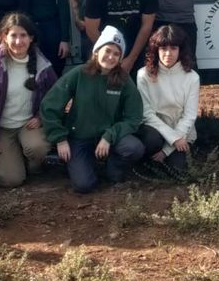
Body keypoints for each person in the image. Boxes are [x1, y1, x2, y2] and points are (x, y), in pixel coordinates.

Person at [40, 26, 144, 193]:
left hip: (109, 138)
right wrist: (59, 138)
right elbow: (50, 105)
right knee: (84, 185)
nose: (111, 57)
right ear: (97, 51)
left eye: (116, 54)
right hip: (79, 137)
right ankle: (79, 164)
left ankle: (112, 168)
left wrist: (110, 135)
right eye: (107, 51)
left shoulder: (124, 80)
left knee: (134, 148)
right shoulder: (79, 74)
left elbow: (134, 116)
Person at [0, 12, 58, 188]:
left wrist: (40, 117)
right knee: (11, 180)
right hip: (3, 130)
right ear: (5, 37)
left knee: (37, 148)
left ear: (31, 38)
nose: (18, 41)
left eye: (23, 36)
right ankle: (14, 159)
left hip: (28, 125)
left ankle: (33, 165)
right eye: (13, 35)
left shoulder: (43, 67)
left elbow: (56, 97)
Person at [135, 25, 200, 173]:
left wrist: (167, 149)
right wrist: (172, 138)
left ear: (181, 50)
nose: (168, 54)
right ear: (156, 50)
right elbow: (147, 114)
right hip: (155, 132)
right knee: (151, 139)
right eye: (163, 48)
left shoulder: (192, 78)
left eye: (173, 48)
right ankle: (148, 161)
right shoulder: (143, 75)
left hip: (181, 135)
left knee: (178, 171)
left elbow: (189, 116)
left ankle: (163, 158)